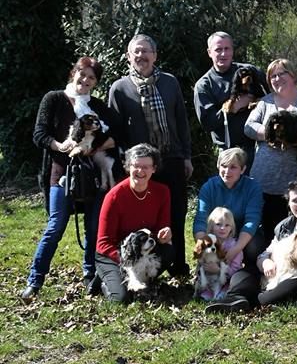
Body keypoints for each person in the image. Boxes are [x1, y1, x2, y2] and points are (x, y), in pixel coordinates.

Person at [21, 57, 121, 301]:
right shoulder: (54, 98)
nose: (85, 80)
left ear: (96, 82)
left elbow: (118, 134)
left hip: (95, 176)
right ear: (73, 73)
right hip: (61, 173)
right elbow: (39, 134)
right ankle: (35, 280)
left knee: (93, 227)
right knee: (56, 226)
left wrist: (94, 148)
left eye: (91, 78)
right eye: (81, 74)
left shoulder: (98, 106)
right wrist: (60, 145)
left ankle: (89, 276)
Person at [108, 34, 193, 276]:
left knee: (176, 212)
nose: (141, 56)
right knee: (146, 215)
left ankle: (178, 265)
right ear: (128, 56)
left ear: (154, 56)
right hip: (142, 166)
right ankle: (144, 267)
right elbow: (116, 130)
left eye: (146, 51)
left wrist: (186, 156)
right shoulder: (120, 88)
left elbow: (181, 120)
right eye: (136, 51)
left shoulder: (169, 82)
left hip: (172, 158)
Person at [244, 58, 297, 234]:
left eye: (282, 73)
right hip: (265, 178)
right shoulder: (265, 102)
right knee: (269, 229)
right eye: (273, 76)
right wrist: (273, 135)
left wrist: (295, 138)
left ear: (293, 75)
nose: (277, 79)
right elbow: (248, 127)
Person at [94, 144, 174, 302]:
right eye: (136, 166)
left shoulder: (162, 192)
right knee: (122, 298)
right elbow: (103, 243)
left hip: (143, 250)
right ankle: (105, 281)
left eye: (146, 167)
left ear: (154, 169)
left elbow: (161, 228)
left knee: (169, 251)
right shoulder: (114, 196)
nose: (141, 171)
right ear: (128, 167)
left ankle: (143, 280)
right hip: (113, 254)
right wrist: (129, 260)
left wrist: (165, 233)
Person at [193, 31, 266, 168]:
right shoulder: (204, 85)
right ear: (209, 52)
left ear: (232, 50)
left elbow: (270, 96)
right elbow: (208, 123)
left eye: (227, 49)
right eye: (218, 50)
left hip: (260, 146)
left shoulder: (249, 71)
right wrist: (234, 107)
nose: (223, 54)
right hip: (230, 151)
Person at [193, 148, 264, 275]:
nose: (227, 171)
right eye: (223, 166)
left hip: (242, 233)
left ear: (242, 169)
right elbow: (200, 219)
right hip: (216, 234)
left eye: (233, 167)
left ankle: (247, 272)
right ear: (218, 166)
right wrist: (204, 249)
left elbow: (252, 221)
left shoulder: (253, 187)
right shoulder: (209, 187)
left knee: (254, 247)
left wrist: (234, 250)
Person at [196, 207, 244, 301]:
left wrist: (218, 270)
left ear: (231, 228)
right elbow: (200, 262)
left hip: (227, 281)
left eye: (227, 225)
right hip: (210, 280)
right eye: (218, 224)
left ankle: (226, 295)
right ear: (211, 227)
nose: (223, 228)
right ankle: (209, 292)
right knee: (205, 295)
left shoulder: (233, 247)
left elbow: (235, 270)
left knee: (230, 288)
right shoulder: (207, 243)